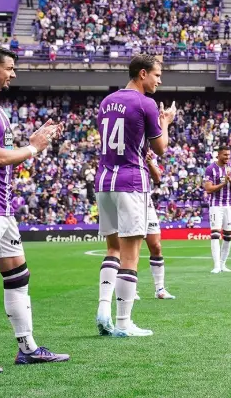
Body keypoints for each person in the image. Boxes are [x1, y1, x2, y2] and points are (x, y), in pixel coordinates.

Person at [0, 44, 69, 374]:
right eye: (9, 68)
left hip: (0, 206)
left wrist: (30, 144)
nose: (14, 74)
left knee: (19, 276)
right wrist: (32, 148)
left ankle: (28, 348)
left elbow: (5, 154)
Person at [95, 54, 177, 337]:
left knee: (112, 249)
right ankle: (122, 323)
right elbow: (162, 147)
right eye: (157, 75)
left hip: (104, 180)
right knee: (130, 255)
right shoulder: (146, 103)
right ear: (143, 74)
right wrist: (166, 121)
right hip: (131, 180)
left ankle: (103, 308)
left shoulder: (107, 102)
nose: (159, 80)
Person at [204, 145, 231, 274]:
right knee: (215, 234)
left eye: (229, 155)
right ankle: (216, 266)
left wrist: (229, 179)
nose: (227, 157)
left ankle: (223, 264)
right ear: (218, 155)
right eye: (225, 155)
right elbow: (208, 189)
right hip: (216, 205)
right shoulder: (210, 169)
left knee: (228, 235)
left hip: (230, 205)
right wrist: (223, 183)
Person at [143, 150, 175, 299]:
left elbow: (157, 178)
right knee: (131, 247)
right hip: (127, 198)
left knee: (156, 246)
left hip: (145, 201)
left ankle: (160, 289)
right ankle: (129, 289)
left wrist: (149, 162)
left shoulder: (149, 152)